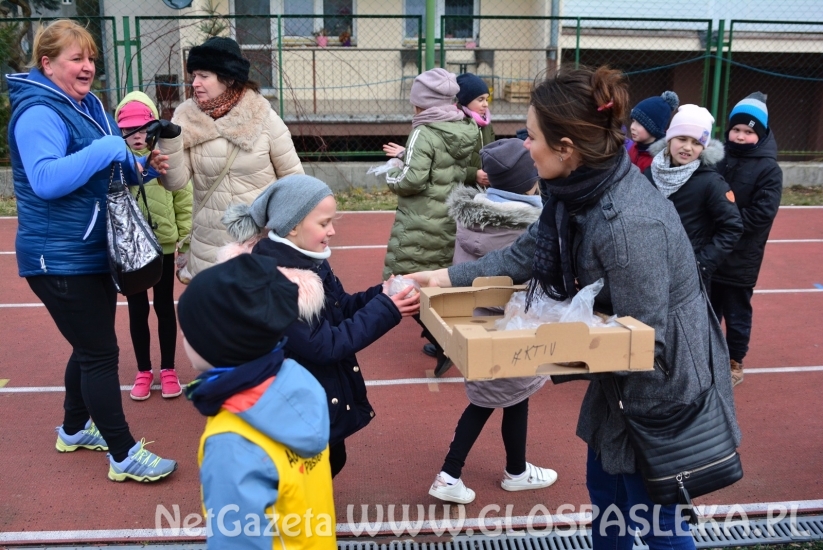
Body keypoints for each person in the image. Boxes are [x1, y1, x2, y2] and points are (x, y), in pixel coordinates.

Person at [408, 65, 740, 550]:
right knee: (605, 498)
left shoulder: (628, 224)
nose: (525, 145)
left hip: (660, 386)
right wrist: (444, 277)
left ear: (566, 149)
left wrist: (538, 345)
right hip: (621, 381)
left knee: (652, 518)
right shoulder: (575, 191)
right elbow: (526, 253)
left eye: (533, 136)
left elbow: (647, 338)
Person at [6, 19, 177, 482]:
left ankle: (74, 428)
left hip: (91, 249)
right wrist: (107, 148)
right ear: (47, 63)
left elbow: (107, 168)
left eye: (91, 59)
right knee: (101, 353)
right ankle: (122, 455)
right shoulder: (39, 112)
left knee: (89, 346)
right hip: (56, 256)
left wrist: (142, 168)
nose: (87, 67)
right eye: (76, 59)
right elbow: (45, 181)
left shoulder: (88, 106)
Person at [220, 174, 420, 477]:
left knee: (332, 458)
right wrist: (386, 311)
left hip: (311, 395)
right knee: (306, 471)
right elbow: (325, 345)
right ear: (294, 225)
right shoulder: (276, 285)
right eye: (324, 223)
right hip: (288, 405)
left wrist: (380, 294)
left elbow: (341, 308)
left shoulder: (309, 260)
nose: (333, 230)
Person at [179, 254, 336, 550]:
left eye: (189, 330)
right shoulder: (300, 383)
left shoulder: (231, 442)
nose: (184, 336)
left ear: (220, 344)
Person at [429, 138, 554, 504]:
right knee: (489, 400)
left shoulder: (474, 215)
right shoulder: (528, 227)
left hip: (477, 323)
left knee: (513, 394)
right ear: (528, 182)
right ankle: (449, 473)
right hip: (514, 324)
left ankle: (517, 469)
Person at [158, 36, 303, 279]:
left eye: (204, 76)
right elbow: (175, 182)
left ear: (228, 78)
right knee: (213, 315)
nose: (195, 83)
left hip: (257, 247)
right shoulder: (186, 118)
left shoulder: (264, 118)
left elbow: (295, 183)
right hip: (208, 249)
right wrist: (170, 140)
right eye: (193, 75)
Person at [115, 92, 193, 401]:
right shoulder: (114, 159)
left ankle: (169, 369)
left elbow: (184, 202)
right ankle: (144, 370)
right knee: (136, 310)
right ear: (119, 130)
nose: (136, 136)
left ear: (153, 128)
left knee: (163, 307)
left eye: (142, 128)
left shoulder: (167, 156)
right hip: (131, 248)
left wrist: (185, 241)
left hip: (162, 246)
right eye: (128, 130)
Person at [711, 92, 783, 387]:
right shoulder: (718, 159)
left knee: (737, 312)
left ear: (760, 134)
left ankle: (734, 359)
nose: (740, 136)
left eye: (749, 131)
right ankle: (707, 357)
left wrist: (728, 226)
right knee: (707, 310)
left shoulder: (769, 169)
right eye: (736, 130)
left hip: (741, 257)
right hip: (712, 252)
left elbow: (763, 213)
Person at [644, 104, 743, 287]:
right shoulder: (650, 173)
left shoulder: (711, 182)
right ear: (669, 139)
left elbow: (732, 227)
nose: (688, 147)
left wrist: (701, 264)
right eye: (682, 139)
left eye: (697, 143)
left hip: (690, 276)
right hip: (650, 268)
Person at [384, 73, 495, 188]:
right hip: (462, 188)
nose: (485, 104)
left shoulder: (487, 125)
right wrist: (473, 175)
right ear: (465, 99)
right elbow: (443, 163)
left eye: (487, 99)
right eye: (480, 99)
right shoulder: (454, 124)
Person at [627, 91, 679, 172]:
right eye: (633, 121)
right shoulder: (634, 148)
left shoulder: (660, 159)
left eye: (639, 124)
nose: (632, 127)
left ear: (653, 129)